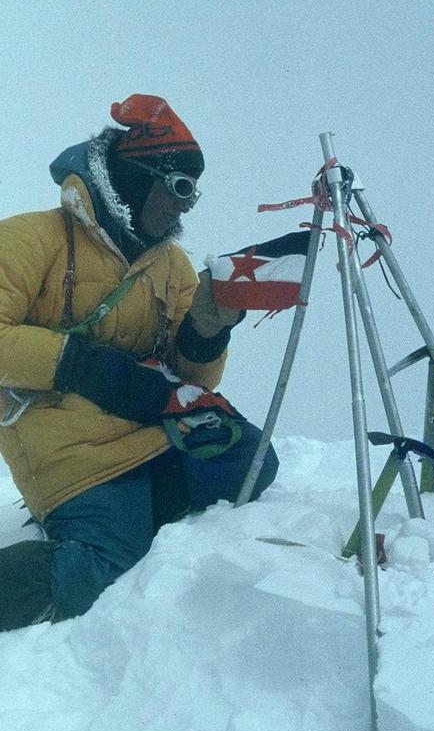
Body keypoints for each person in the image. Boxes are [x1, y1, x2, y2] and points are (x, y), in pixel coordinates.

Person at [0, 95, 278, 631]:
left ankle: (129, 515)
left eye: (192, 194)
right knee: (101, 568)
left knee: (252, 461)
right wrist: (84, 367)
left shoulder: (170, 266)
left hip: (148, 425)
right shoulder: (30, 238)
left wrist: (206, 330)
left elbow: (193, 379)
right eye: (179, 188)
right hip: (70, 447)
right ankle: (105, 529)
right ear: (134, 177)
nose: (185, 206)